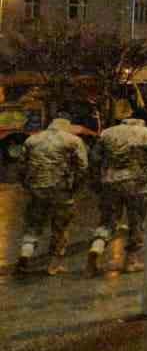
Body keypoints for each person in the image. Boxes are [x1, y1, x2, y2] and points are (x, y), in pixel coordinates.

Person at [17, 118, 89, 276]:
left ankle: (25, 254)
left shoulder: (32, 139)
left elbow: (22, 166)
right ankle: (54, 265)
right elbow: (83, 167)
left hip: (37, 189)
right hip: (61, 190)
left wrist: (28, 185)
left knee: (33, 226)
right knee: (60, 228)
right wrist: (74, 187)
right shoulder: (73, 140)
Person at [88, 117, 147, 276]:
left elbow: (94, 159)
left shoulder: (107, 133)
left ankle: (97, 247)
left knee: (107, 221)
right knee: (136, 222)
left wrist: (97, 181)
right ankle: (131, 261)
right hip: (137, 185)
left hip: (110, 182)